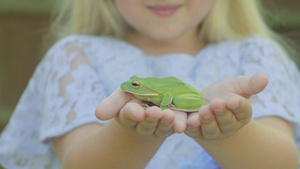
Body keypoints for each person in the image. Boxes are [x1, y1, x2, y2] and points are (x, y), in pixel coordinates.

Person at [0, 0, 299, 168]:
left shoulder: (256, 54)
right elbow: (80, 164)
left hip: (184, 102)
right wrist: (134, 134)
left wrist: (222, 131)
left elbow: (284, 163)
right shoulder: (74, 57)